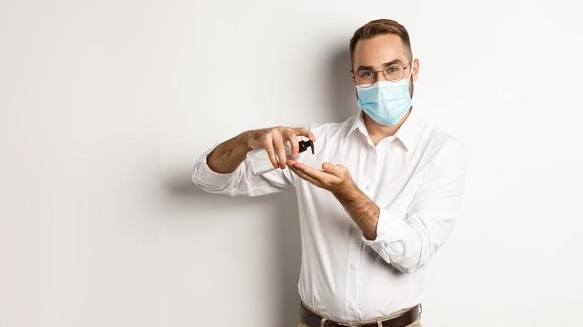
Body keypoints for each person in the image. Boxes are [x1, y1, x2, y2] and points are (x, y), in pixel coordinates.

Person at [192, 19, 467, 327]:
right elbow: (210, 179)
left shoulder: (441, 152)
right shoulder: (314, 143)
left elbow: (412, 254)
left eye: (393, 69)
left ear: (413, 70)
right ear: (354, 77)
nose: (380, 83)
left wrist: (347, 194)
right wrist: (248, 141)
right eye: (367, 73)